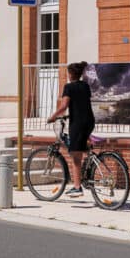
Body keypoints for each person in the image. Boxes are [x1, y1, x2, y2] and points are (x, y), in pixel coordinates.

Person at [47, 61, 95, 197]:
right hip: (89, 121)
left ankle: (77, 187)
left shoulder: (68, 87)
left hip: (78, 124)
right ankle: (87, 174)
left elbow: (64, 106)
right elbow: (82, 104)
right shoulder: (85, 85)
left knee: (76, 157)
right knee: (81, 148)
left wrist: (52, 117)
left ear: (71, 74)